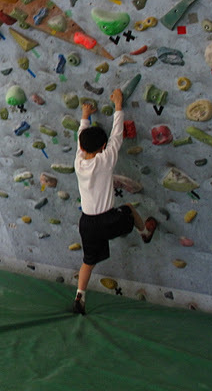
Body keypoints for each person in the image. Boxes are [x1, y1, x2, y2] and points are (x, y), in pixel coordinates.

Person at [72, 89, 157, 315]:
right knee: (128, 208)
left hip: (87, 224)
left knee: (88, 262)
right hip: (108, 221)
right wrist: (119, 105)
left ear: (82, 148)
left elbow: (81, 138)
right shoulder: (105, 160)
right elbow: (117, 136)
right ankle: (145, 233)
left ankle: (80, 296)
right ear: (102, 148)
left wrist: (85, 116)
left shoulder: (78, 162)